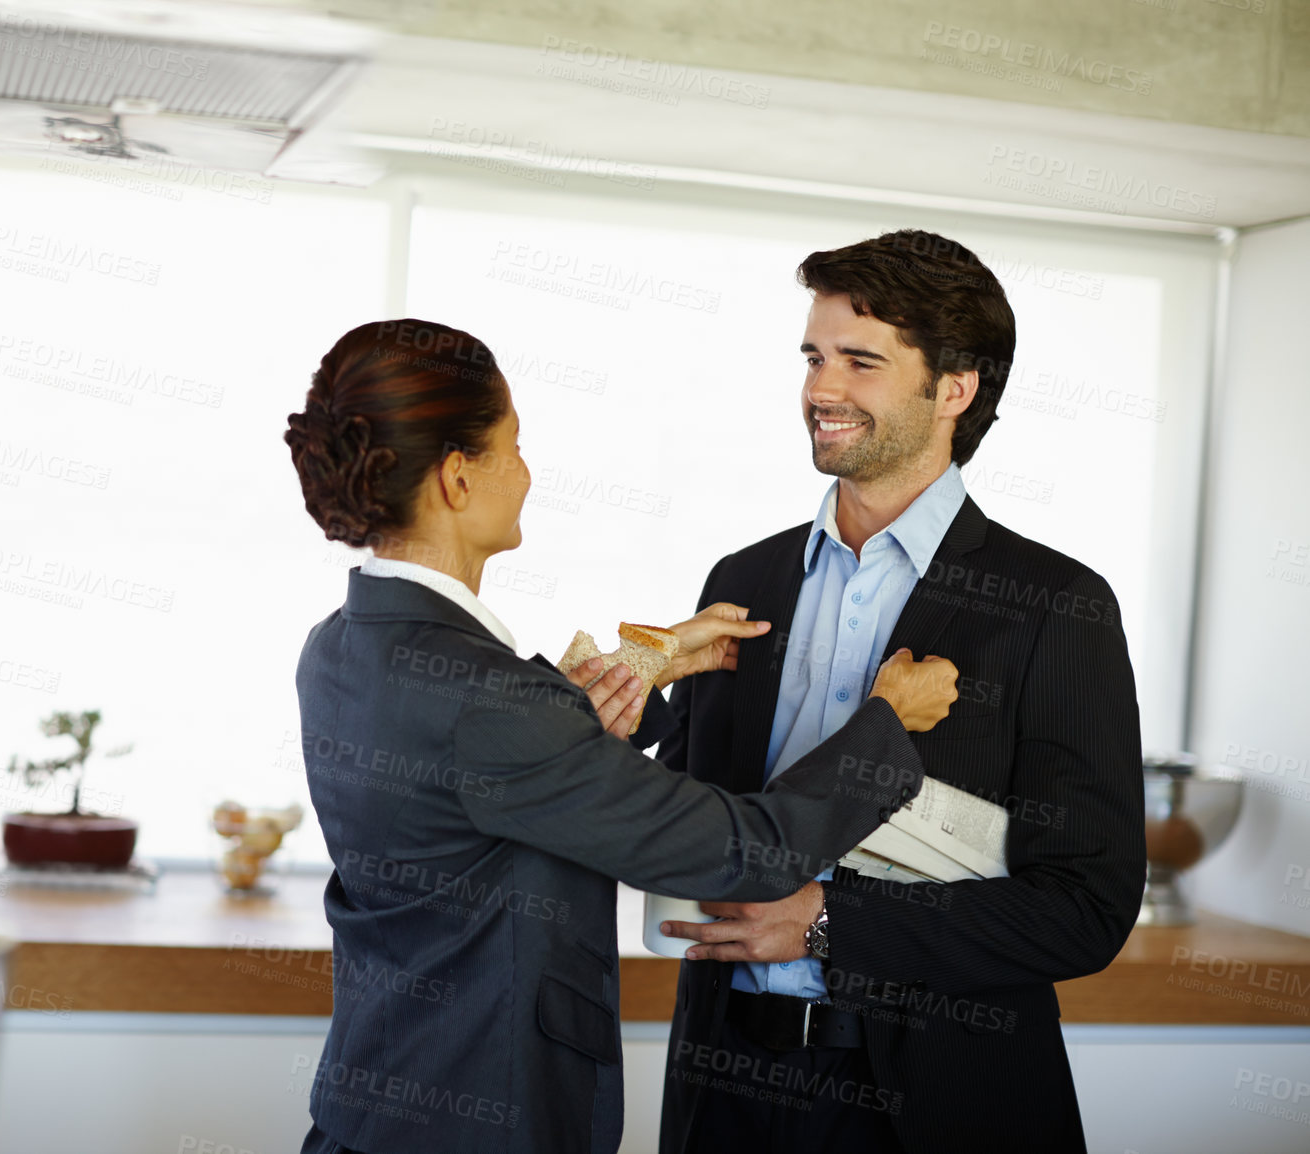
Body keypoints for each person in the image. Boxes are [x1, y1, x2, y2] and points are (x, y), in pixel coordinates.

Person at [284, 318, 961, 1154]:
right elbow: (745, 853)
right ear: (459, 477)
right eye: (514, 446)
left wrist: (634, 671)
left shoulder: (343, 642)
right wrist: (886, 725)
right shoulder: (492, 703)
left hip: (375, 1104)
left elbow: (471, 776)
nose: (527, 473)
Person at [637, 231, 1146, 1153]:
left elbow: (1086, 909)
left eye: (860, 362)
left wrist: (832, 922)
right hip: (724, 1092)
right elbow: (684, 824)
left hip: (939, 1101)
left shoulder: (1053, 605)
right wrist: (631, 692)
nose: (821, 391)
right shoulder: (743, 582)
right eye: (814, 357)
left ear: (955, 389)